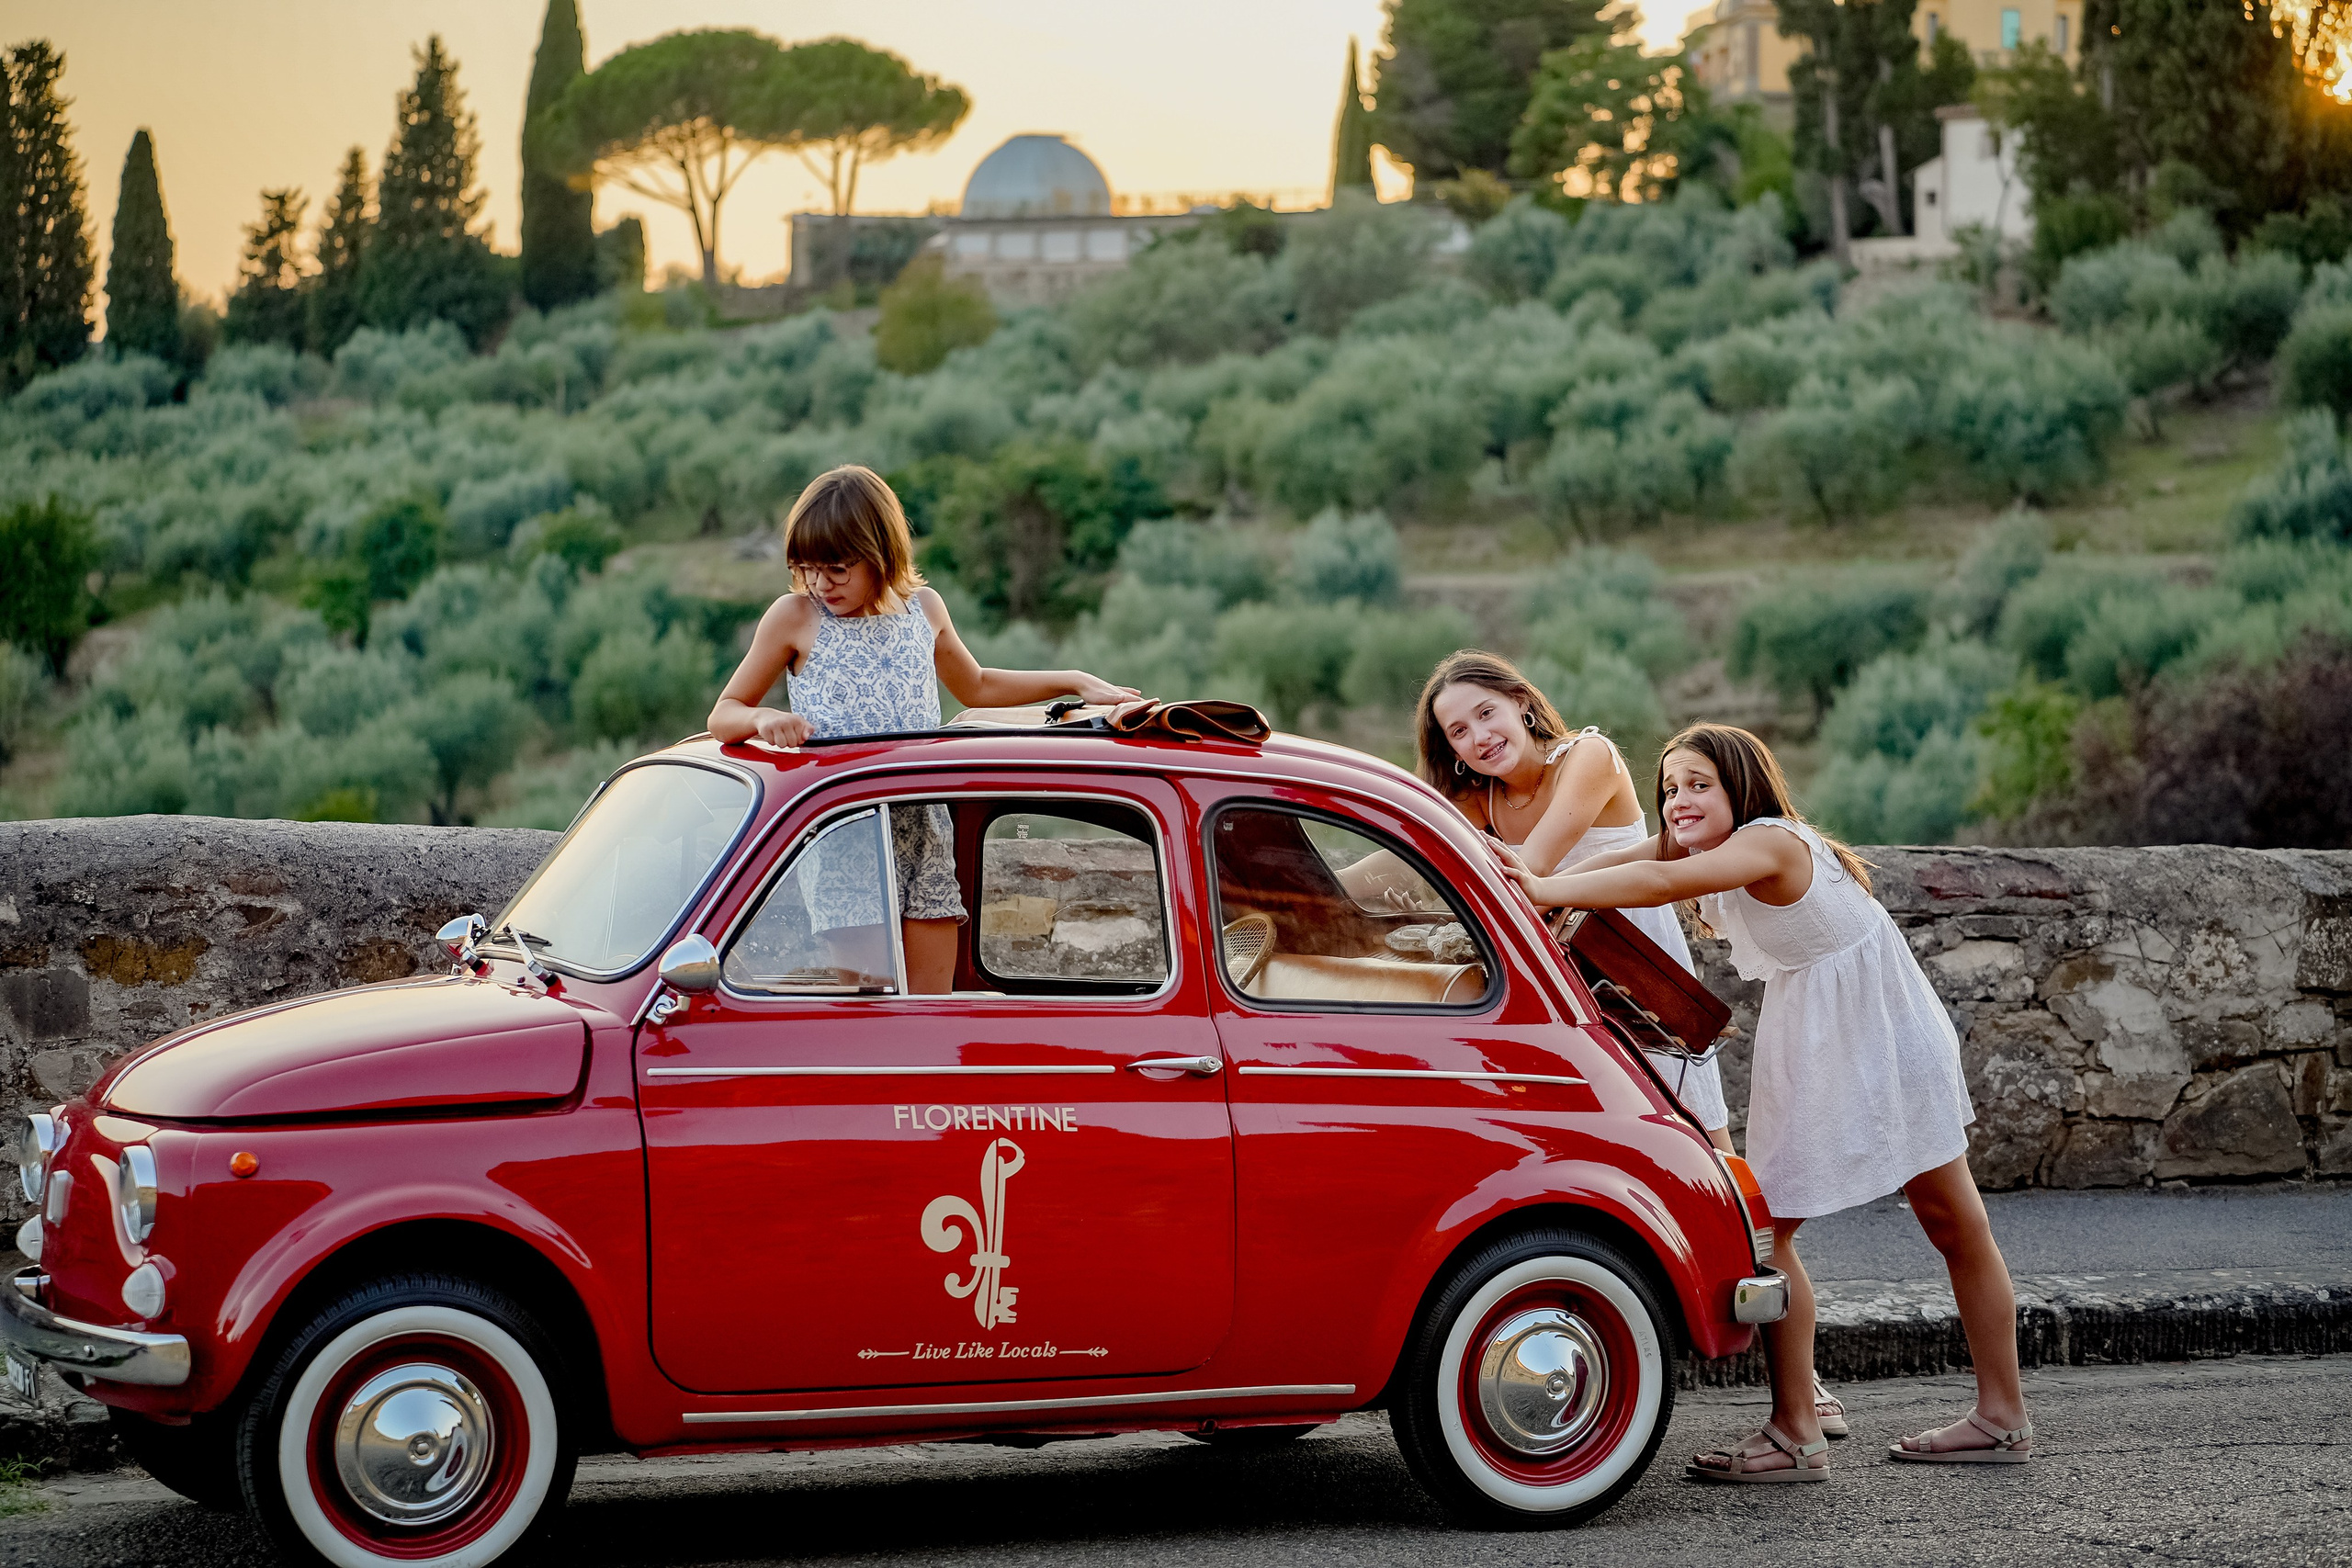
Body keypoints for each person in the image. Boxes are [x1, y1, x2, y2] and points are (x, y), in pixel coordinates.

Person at [1500, 722, 2031, 1483]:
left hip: (1872, 1034)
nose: (1678, 801)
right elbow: (1636, 859)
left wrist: (1548, 889)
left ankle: (1818, 1432)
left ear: (1740, 785)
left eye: (1697, 785)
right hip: (1838, 1031)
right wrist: (1523, 873)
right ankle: (1950, 1419)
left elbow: (1656, 886)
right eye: (1670, 788)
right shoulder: (1708, 845)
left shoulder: (1773, 841)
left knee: (1822, 1227)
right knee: (1843, 1227)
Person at [707, 465, 1136, 993]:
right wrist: (761, 717)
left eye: (837, 568)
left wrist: (1072, 681)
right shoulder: (794, 617)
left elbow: (976, 685)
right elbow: (724, 713)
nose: (821, 583)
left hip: (927, 831)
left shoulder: (924, 608)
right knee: (875, 1014)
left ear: (880, 554)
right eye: (808, 568)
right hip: (846, 837)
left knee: (930, 1012)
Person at [1405, 650, 1736, 1153]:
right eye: (1459, 731)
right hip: (1554, 972)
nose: (1480, 737)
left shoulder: (1590, 756)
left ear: (1521, 703)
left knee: (1693, 1126)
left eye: (1486, 713)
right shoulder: (1479, 800)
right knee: (1592, 1134)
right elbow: (1403, 861)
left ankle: (1749, 1231)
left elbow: (1532, 869)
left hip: (1632, 957)